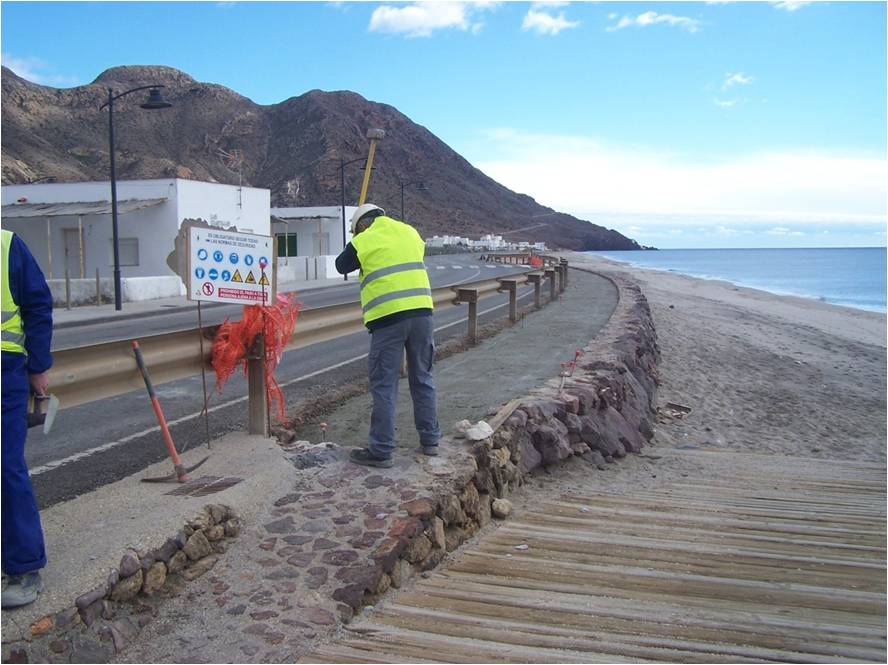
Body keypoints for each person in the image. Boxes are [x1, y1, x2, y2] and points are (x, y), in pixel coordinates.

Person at [336, 204, 441, 468]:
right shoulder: (410, 232)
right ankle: (430, 442)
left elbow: (341, 265)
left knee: (384, 384)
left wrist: (355, 240)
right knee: (423, 378)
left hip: (388, 319)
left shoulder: (364, 239)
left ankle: (381, 450)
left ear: (361, 225)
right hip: (422, 315)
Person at [1, 229, 53, 608]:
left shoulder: (8, 245)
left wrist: (37, 367)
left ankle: (23, 567)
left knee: (6, 467)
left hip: (5, 371)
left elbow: (37, 304)